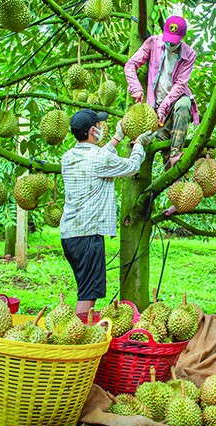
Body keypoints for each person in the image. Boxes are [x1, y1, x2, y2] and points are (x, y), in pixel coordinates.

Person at [59, 109, 155, 318]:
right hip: (88, 235)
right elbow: (131, 167)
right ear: (93, 130)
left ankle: (80, 334)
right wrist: (139, 144)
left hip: (70, 235)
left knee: (85, 287)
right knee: (88, 293)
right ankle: (78, 338)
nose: (103, 127)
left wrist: (116, 138)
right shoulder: (98, 159)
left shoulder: (68, 157)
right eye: (100, 125)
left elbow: (100, 160)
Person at [123, 15, 200, 172]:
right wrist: (136, 88)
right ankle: (172, 169)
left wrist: (164, 108)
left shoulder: (189, 54)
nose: (170, 42)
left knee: (183, 106)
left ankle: (176, 153)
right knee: (164, 143)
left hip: (175, 100)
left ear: (182, 37)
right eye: (168, 38)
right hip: (154, 105)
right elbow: (130, 65)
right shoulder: (153, 42)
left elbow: (180, 84)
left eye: (174, 39)